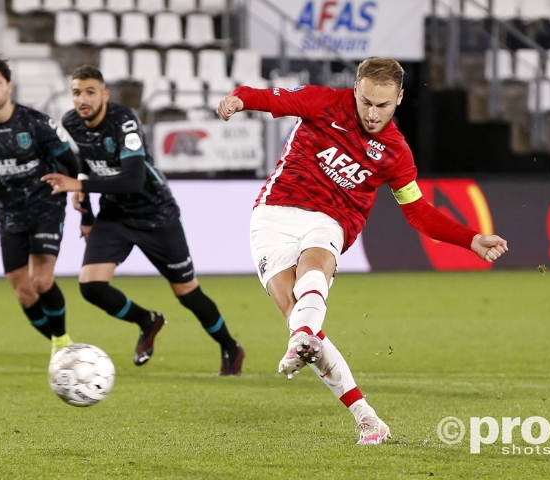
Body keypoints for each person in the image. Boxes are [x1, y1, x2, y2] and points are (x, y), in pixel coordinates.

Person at [215, 57, 509, 444]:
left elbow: (418, 212)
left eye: (382, 105)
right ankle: (367, 417)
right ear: (356, 89)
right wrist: (236, 100)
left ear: (400, 98)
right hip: (274, 215)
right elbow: (266, 98)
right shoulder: (322, 103)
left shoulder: (395, 153)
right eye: (366, 102)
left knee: (313, 272)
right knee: (299, 317)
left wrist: (470, 239)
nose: (372, 113)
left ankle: (303, 337)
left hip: (330, 219)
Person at [40, 65, 245, 375]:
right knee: (91, 285)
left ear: (105, 95)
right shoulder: (72, 121)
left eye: (90, 92)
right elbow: (86, 159)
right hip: (114, 214)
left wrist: (78, 185)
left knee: (187, 293)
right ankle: (146, 320)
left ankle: (230, 346)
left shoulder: (124, 122)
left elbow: (133, 180)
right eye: (76, 93)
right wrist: (88, 214)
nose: (82, 99)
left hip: (156, 213)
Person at [0, 56, 85, 357]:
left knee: (40, 280)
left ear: (9, 86)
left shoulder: (36, 122)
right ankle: (60, 344)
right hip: (9, 213)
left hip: (46, 204)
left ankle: (62, 343)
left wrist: (79, 188)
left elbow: (69, 160)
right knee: (24, 293)